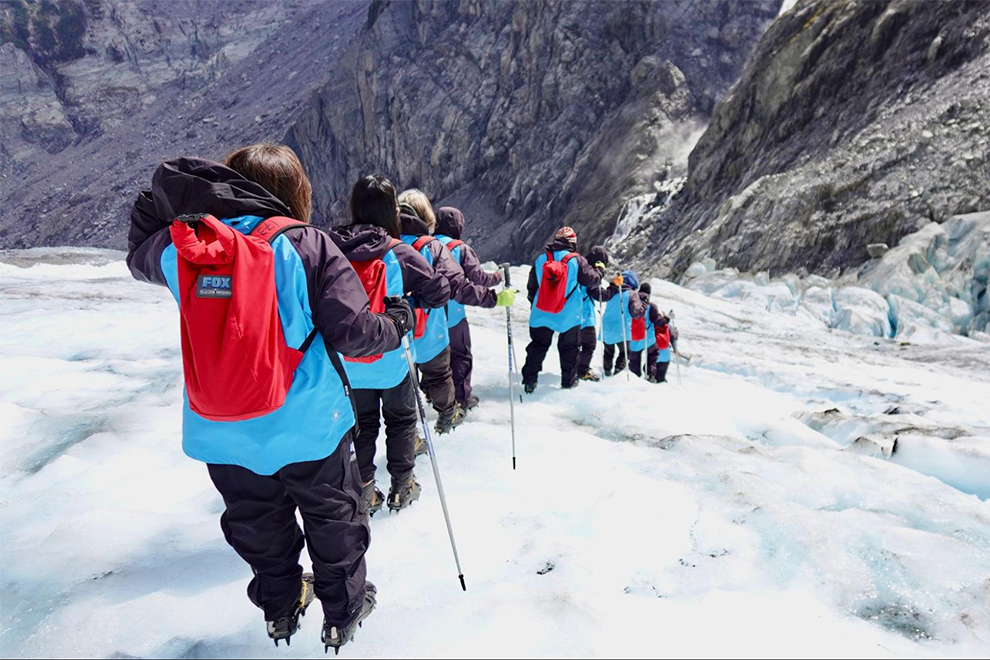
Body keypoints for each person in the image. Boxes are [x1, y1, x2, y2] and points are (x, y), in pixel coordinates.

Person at [126, 145, 412, 652]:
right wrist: (395, 322)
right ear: (295, 192)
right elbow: (355, 334)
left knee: (256, 522)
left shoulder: (188, 246)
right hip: (306, 422)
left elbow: (138, 253)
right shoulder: (306, 244)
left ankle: (280, 609)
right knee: (333, 517)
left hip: (223, 426)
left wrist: (173, 201)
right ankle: (342, 612)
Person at [331, 175, 451, 517]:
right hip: (392, 357)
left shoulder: (332, 249)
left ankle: (366, 489)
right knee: (400, 420)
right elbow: (439, 291)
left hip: (348, 360)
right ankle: (403, 485)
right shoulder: (398, 252)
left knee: (363, 424)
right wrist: (408, 303)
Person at [395, 189, 468, 434]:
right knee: (438, 375)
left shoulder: (386, 243)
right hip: (430, 327)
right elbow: (454, 282)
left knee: (404, 383)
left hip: (394, 328)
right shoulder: (432, 246)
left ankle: (409, 438)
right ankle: (447, 414)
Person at [434, 206, 515, 412]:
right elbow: (479, 279)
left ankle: (435, 397)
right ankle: (461, 399)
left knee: (435, 357)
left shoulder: (426, 245)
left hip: (429, 315)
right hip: (454, 314)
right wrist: (497, 277)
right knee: (461, 356)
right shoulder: (460, 248)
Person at [522, 226, 604, 392]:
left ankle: (530, 381)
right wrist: (600, 269)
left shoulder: (541, 259)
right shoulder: (577, 260)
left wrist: (537, 305)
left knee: (538, 346)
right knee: (569, 349)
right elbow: (592, 280)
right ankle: (568, 382)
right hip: (569, 314)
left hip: (541, 312)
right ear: (572, 243)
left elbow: (532, 287)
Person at [601, 269, 646, 376]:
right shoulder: (631, 294)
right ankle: (618, 372)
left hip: (606, 327)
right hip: (622, 328)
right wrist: (644, 304)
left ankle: (607, 372)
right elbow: (636, 313)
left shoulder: (611, 291)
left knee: (608, 352)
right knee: (625, 352)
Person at [576, 245, 610, 382]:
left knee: (574, 344)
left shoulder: (580, 267)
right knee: (589, 344)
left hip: (572, 314)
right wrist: (613, 287)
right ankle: (582, 371)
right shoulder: (591, 274)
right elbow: (599, 295)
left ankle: (572, 369)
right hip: (585, 316)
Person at [630, 282, 663, 379]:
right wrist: (666, 319)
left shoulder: (632, 302)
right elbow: (658, 321)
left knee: (634, 359)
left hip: (634, 338)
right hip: (648, 338)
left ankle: (634, 377)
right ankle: (650, 374)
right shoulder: (651, 305)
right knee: (653, 354)